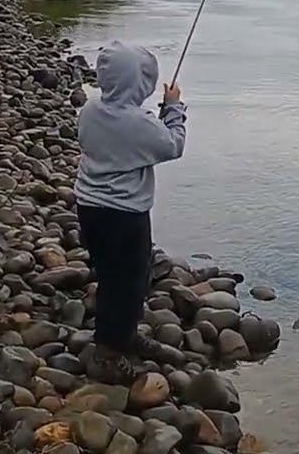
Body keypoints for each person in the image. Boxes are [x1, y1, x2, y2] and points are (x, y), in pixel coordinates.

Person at [73, 41, 188, 383]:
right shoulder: (139, 123)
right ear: (140, 83)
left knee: (112, 276)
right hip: (124, 215)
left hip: (89, 208)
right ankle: (107, 353)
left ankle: (123, 336)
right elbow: (173, 145)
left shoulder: (90, 110)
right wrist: (173, 108)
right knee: (129, 282)